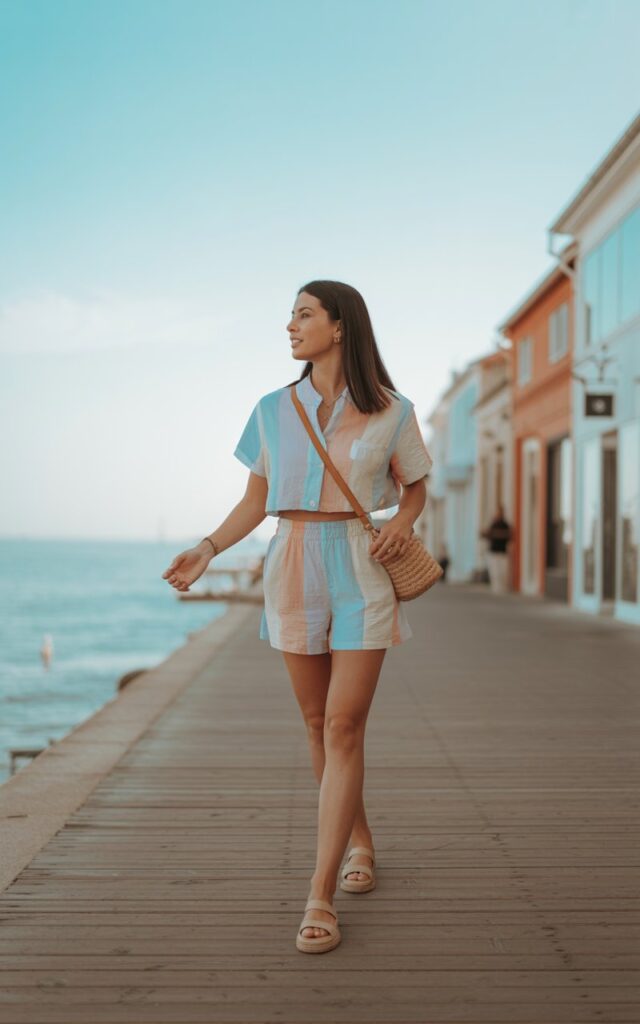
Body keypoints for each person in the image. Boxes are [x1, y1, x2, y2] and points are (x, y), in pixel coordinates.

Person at [161, 280, 433, 954]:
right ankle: (359, 841)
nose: (290, 326)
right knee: (317, 723)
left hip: (360, 568)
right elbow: (255, 500)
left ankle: (320, 893)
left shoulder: (393, 411)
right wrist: (207, 547)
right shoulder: (271, 410)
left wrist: (402, 521)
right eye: (291, 315)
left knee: (345, 723)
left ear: (340, 327)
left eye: (304, 314)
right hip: (292, 563)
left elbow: (416, 485)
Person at [480, 504, 512, 594]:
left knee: (503, 571)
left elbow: (509, 535)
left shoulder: (505, 524)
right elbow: (488, 534)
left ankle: (503, 587)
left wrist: (497, 534)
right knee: (495, 571)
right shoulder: (493, 524)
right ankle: (496, 587)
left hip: (502, 551)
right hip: (493, 551)